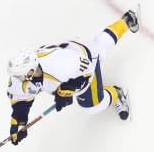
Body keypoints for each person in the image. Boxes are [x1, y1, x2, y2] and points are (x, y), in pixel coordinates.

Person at [7, 8, 140, 144]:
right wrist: (19, 121)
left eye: (22, 75)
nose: (19, 79)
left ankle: (117, 94)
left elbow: (88, 69)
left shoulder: (58, 66)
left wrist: (69, 88)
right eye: (18, 76)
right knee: (99, 47)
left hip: (83, 62)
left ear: (32, 69)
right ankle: (127, 21)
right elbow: (20, 99)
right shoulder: (22, 76)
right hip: (71, 49)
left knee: (91, 107)